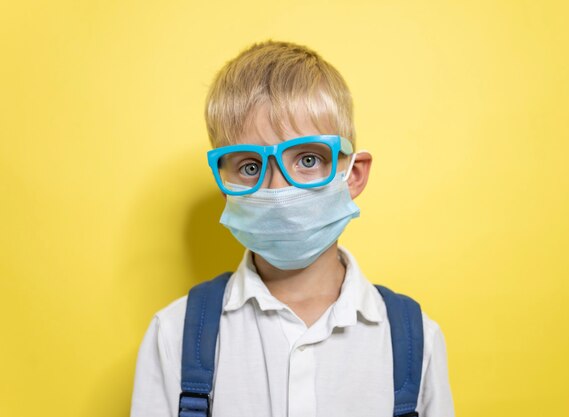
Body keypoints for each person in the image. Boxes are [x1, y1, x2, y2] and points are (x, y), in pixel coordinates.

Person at [130, 40, 455, 417]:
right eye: (250, 167)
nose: (278, 188)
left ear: (353, 175)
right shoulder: (173, 334)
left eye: (308, 159)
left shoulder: (416, 341)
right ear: (225, 188)